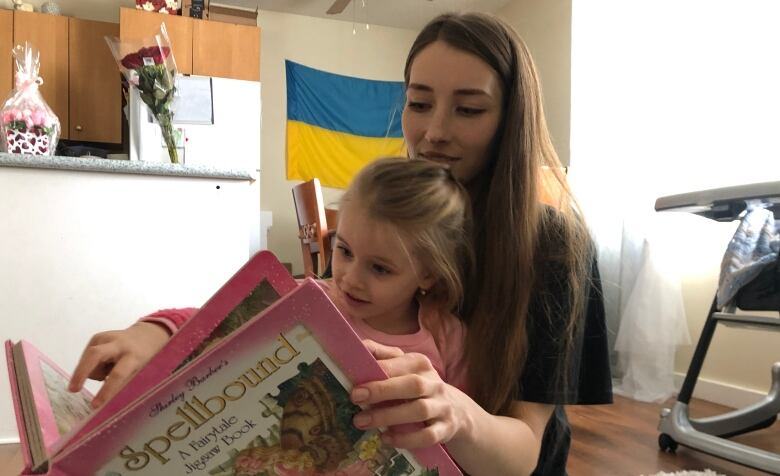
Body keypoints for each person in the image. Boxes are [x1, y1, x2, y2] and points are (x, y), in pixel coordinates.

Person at [69, 12, 611, 476]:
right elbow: (265, 311)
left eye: (469, 109)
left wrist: (454, 411)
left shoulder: (553, 249)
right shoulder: (384, 217)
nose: (434, 132)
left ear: (510, 118)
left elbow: (523, 453)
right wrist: (157, 333)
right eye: (419, 103)